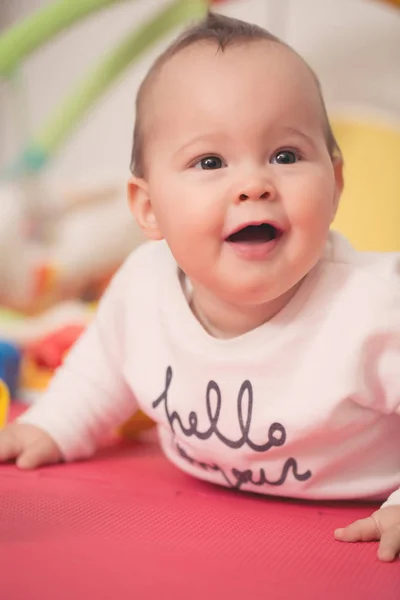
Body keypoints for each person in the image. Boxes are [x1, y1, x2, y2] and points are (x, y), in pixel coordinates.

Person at [0, 12, 399, 561]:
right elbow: (104, 367)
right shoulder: (143, 287)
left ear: (335, 184)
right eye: (210, 161)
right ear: (148, 207)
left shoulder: (371, 310)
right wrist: (53, 424)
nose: (254, 184)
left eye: (286, 155)